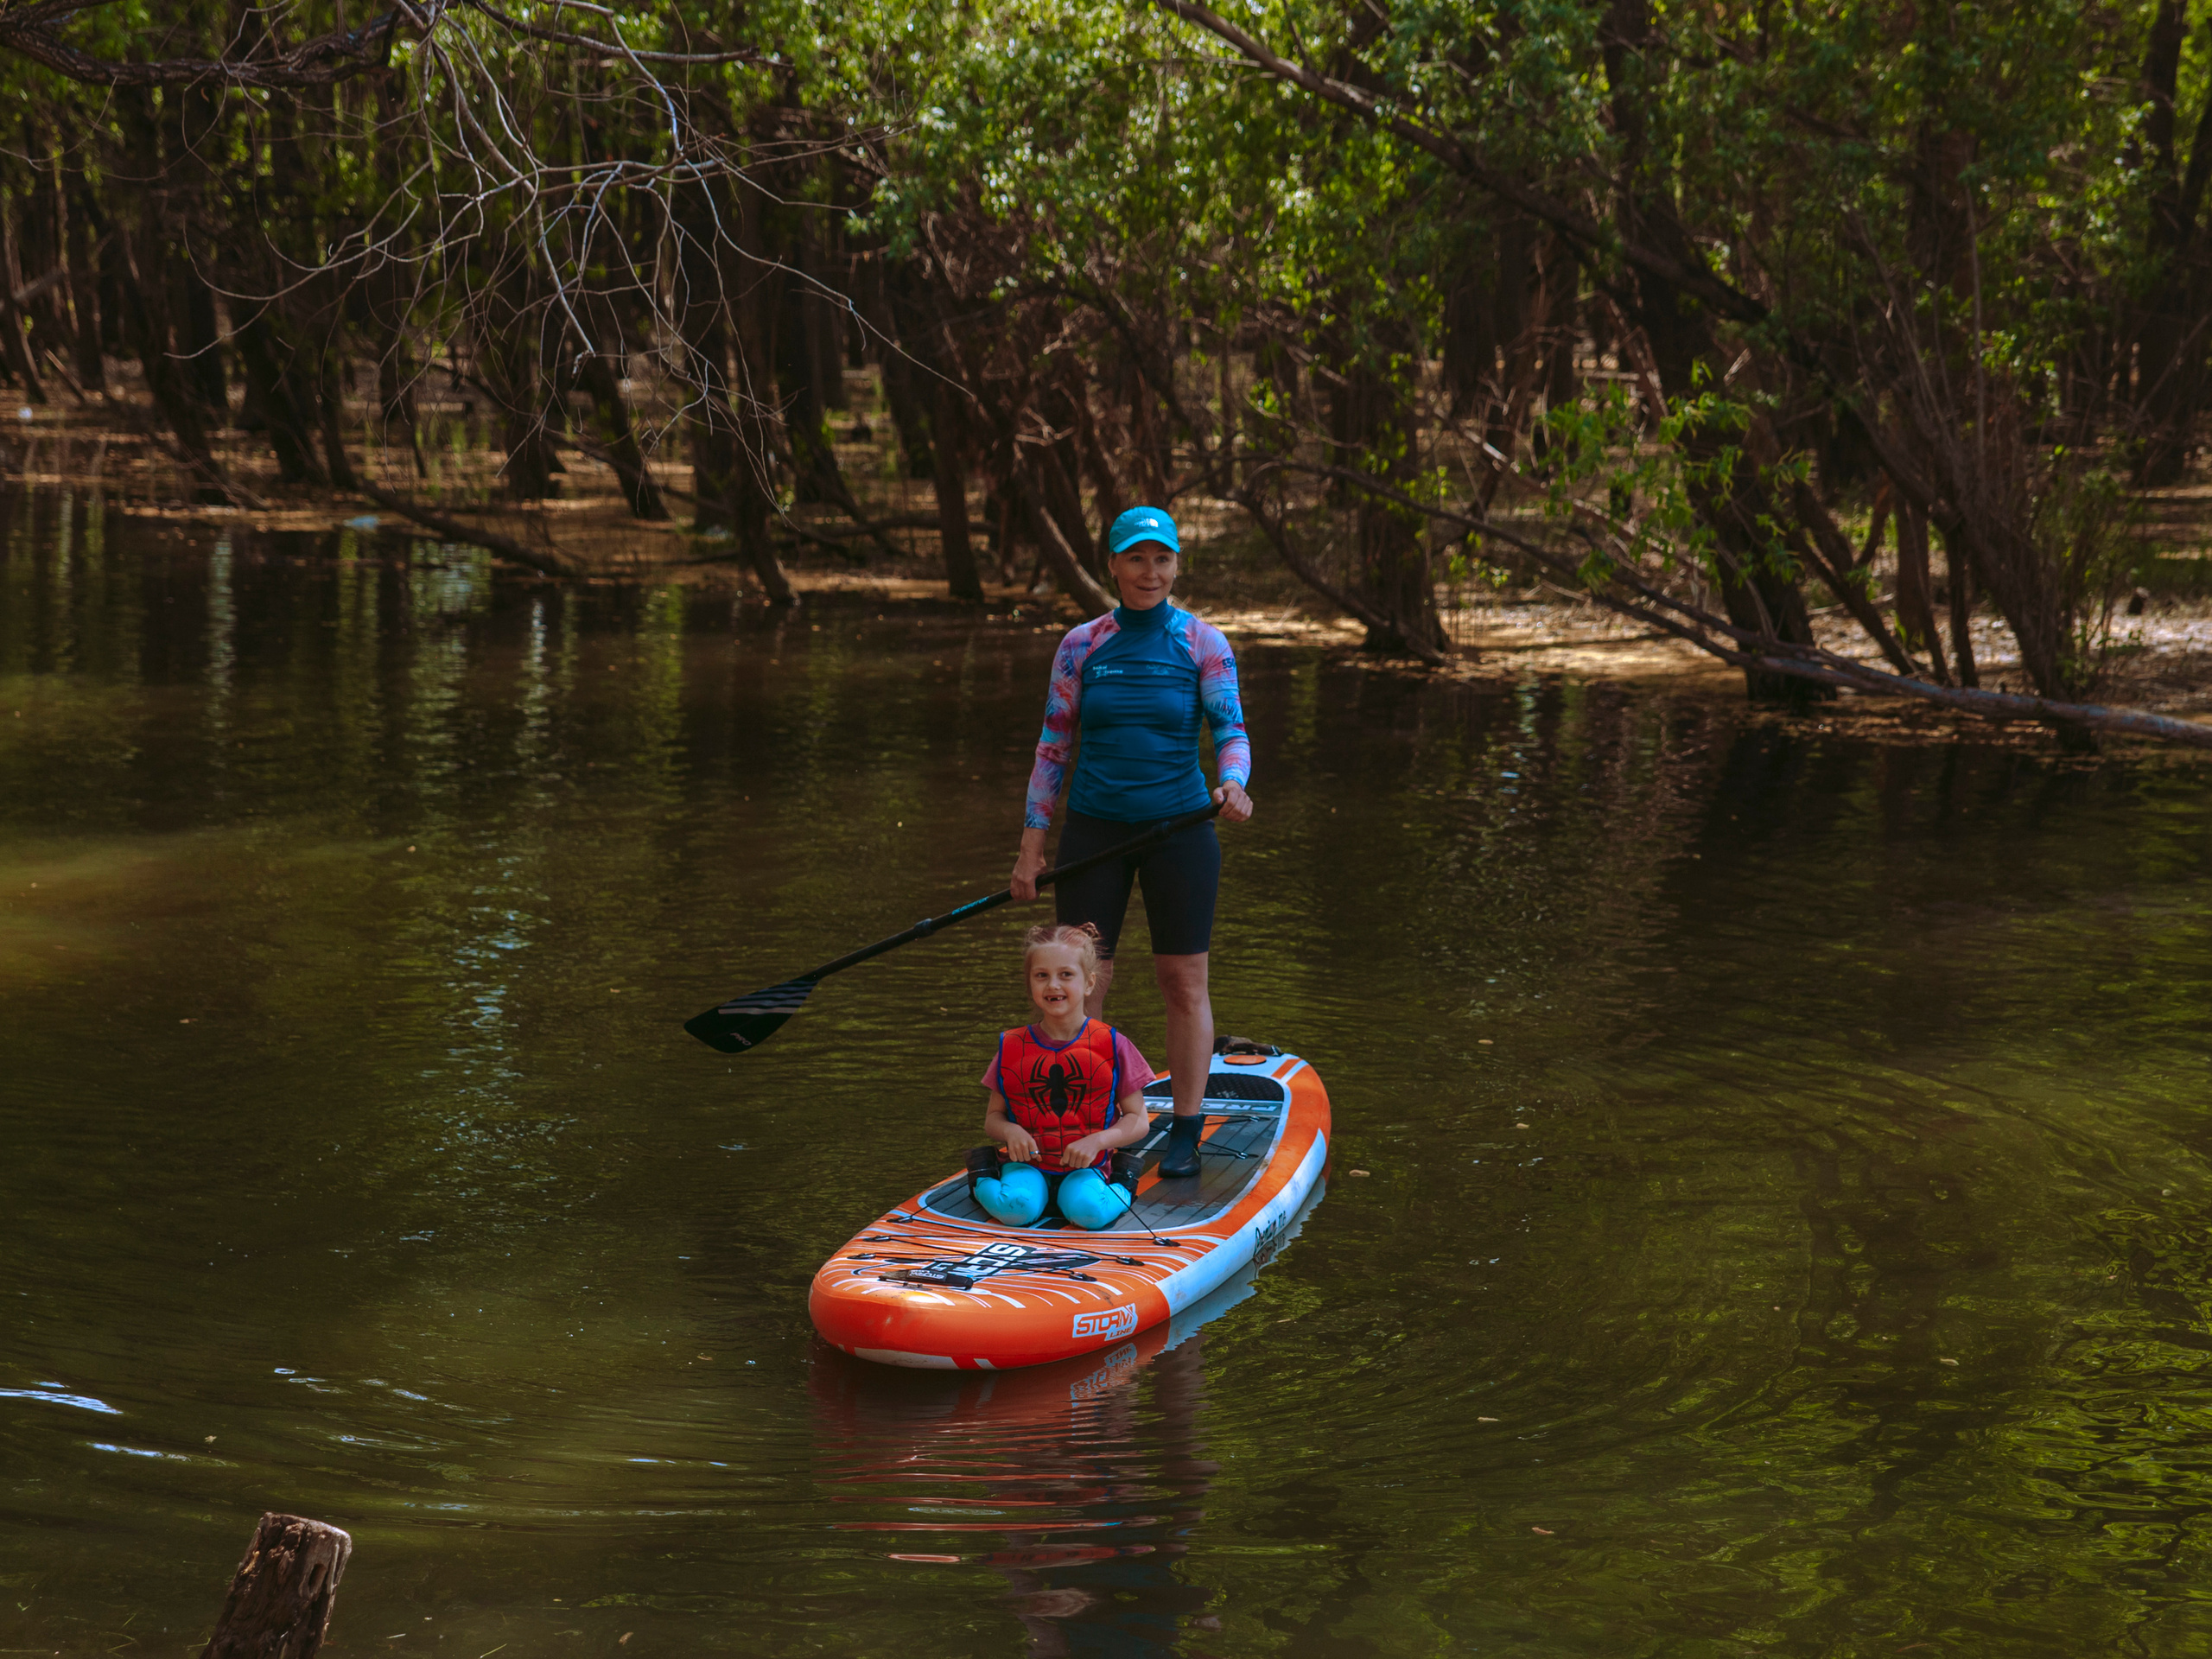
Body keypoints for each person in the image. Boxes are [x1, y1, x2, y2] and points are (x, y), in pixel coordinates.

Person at [1009, 505, 1253, 1179]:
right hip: (1095, 834)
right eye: (1137, 558)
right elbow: (1053, 750)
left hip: (1180, 833)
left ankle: (1185, 1127)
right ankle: (1082, 1129)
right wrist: (1032, 849)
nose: (1151, 572)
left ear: (1177, 565)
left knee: (1182, 981)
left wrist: (1233, 783)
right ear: (1112, 566)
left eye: (1163, 559)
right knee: (1083, 983)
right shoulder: (1082, 645)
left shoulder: (1204, 642)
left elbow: (1231, 732)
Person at [970, 924, 1156, 1230]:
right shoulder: (1012, 1047)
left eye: (1066, 975)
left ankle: (1124, 1180)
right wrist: (1010, 1132)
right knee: (1017, 1210)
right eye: (1041, 975)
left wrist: (1099, 1141)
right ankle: (979, 1176)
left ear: (1089, 983)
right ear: (1030, 983)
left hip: (1087, 1166)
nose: (1053, 985)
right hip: (1027, 1165)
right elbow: (993, 1118)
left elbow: (1138, 1119)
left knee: (1089, 1214)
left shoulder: (1112, 1044)